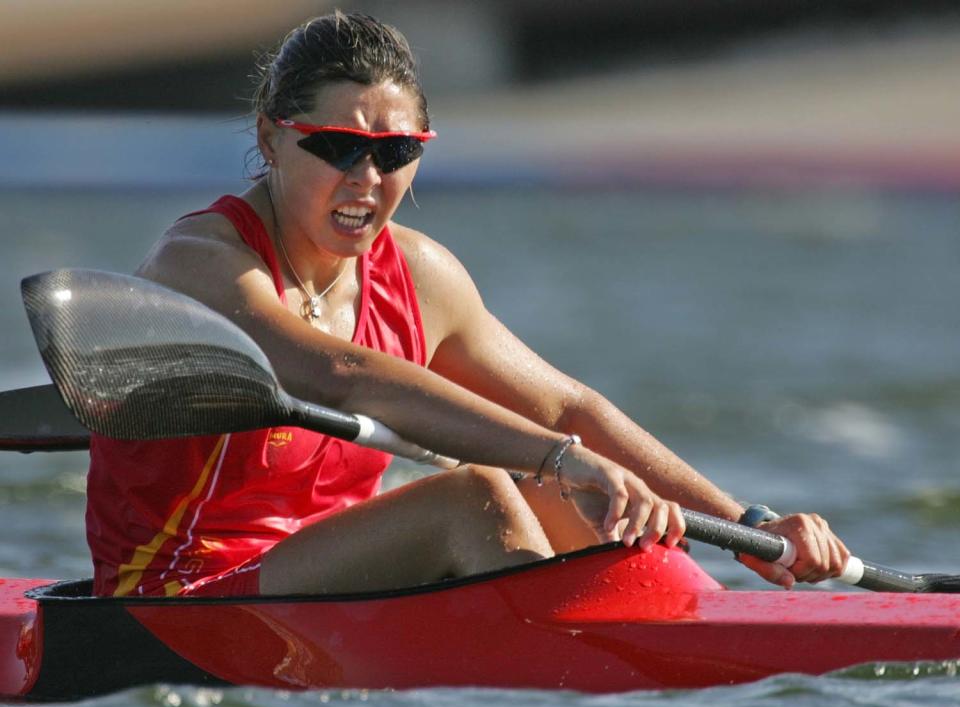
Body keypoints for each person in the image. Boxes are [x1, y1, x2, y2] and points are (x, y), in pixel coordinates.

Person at [86, 11, 849, 598]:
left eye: (395, 152)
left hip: (325, 571)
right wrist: (562, 460)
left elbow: (565, 411)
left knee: (601, 510)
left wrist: (749, 524)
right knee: (477, 494)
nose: (367, 179)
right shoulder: (204, 264)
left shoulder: (421, 275)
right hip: (180, 594)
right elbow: (347, 374)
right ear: (270, 137)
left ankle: (692, 647)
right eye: (337, 146)